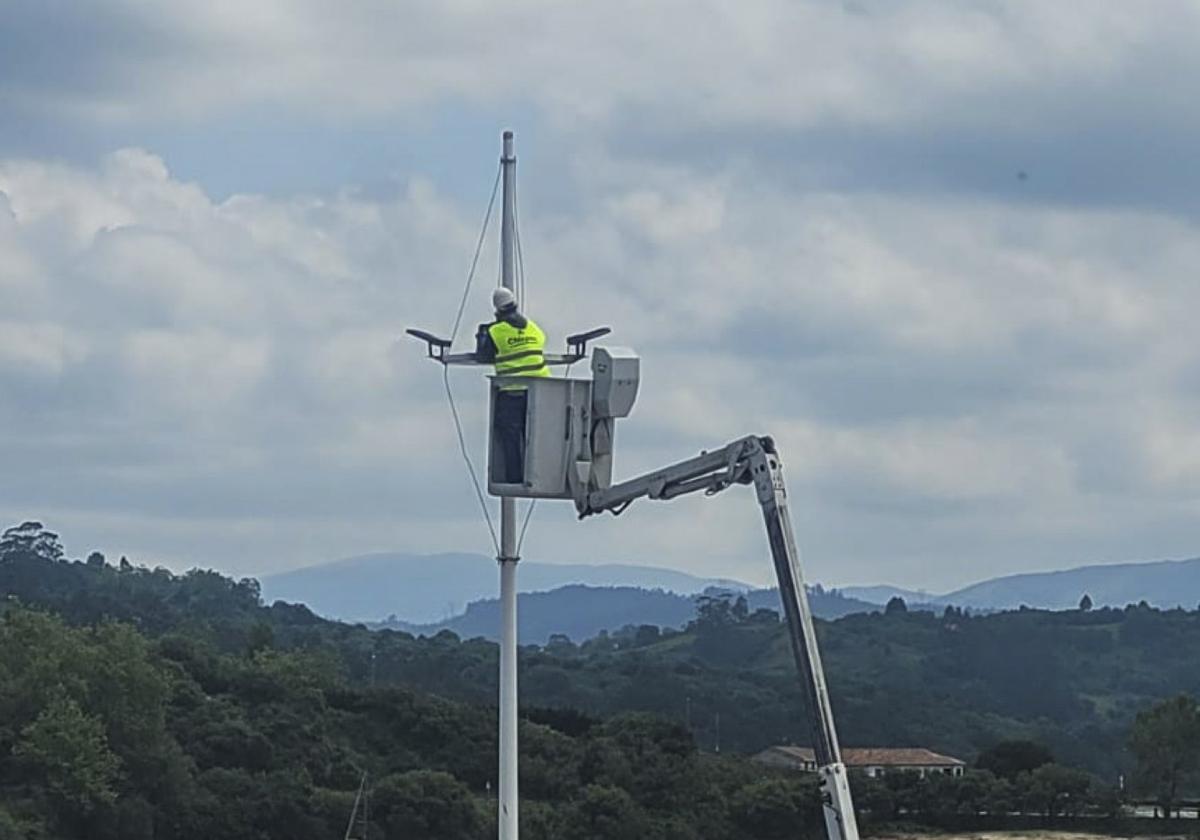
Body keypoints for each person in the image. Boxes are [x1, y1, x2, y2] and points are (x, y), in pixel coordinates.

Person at [475, 288, 549, 483]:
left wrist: (482, 335)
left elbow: (484, 356)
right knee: (532, 435)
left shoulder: (495, 331)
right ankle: (538, 477)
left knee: (509, 435)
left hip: (512, 392)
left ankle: (515, 479)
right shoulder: (535, 329)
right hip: (540, 392)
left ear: (497, 312)